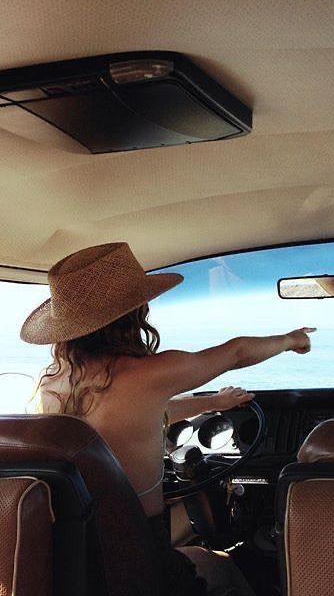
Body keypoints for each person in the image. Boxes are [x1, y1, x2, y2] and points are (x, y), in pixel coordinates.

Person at [20, 242, 315, 596]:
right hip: (137, 555)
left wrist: (215, 403)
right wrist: (291, 339)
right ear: (133, 312)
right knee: (224, 566)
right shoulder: (148, 373)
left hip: (72, 555)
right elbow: (236, 351)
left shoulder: (50, 385)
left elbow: (133, 421)